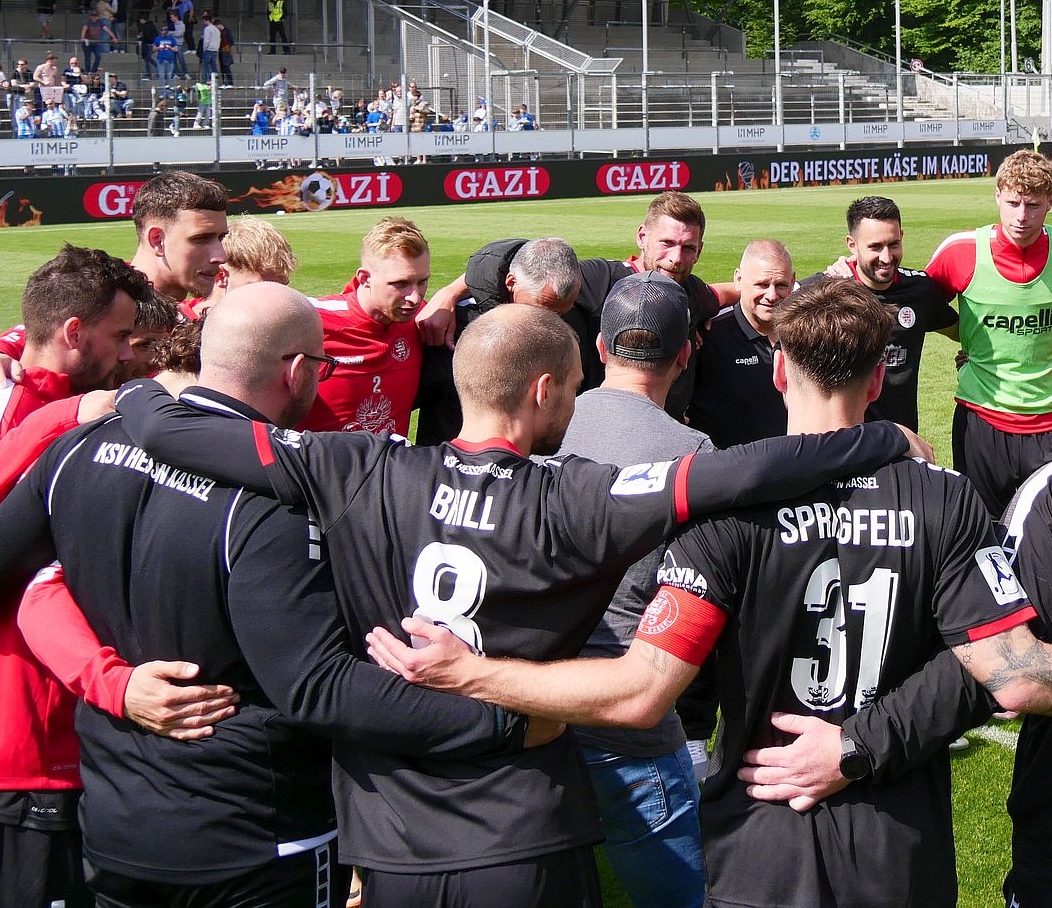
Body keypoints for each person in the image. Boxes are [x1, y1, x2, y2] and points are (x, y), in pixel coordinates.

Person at [362, 281, 1052, 908]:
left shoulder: (726, 509)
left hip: (760, 835)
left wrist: (470, 673)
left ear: (778, 371)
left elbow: (639, 693)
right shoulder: (945, 499)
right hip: (898, 848)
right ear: (879, 380)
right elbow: (1015, 673)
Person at [106, 298, 928, 908]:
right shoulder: (577, 499)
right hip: (524, 833)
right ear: (541, 391)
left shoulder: (356, 467)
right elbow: (740, 473)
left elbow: (173, 432)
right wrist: (883, 435)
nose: (574, 403)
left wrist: (134, 391)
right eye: (571, 388)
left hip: (388, 842)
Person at [0, 283, 545, 907]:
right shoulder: (273, 500)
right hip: (257, 841)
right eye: (321, 366)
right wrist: (503, 721)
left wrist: (109, 677)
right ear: (296, 371)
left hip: (115, 828)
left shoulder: (77, 449)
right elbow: (317, 687)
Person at [0, 247, 153, 908]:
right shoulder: (9, 401)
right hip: (10, 746)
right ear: (73, 332)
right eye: (119, 337)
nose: (126, 354)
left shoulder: (69, 401)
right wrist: (59, 420)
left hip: (64, 741)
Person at [552, 271, 712, 907]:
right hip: (629, 715)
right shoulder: (691, 451)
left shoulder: (545, 424)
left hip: (537, 700)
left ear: (598, 346)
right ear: (685, 354)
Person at [418, 192, 722, 423]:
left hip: (663, 431)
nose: (676, 258)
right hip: (600, 428)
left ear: (699, 251)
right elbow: (529, 267)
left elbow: (727, 292)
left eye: (688, 248)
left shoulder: (689, 292)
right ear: (642, 237)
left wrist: (696, 319)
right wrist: (449, 293)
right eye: (666, 243)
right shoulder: (599, 278)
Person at [923, 149, 1052, 513]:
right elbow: (916, 302)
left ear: (1050, 201)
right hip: (982, 422)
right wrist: (965, 334)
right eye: (1012, 203)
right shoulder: (961, 250)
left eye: (1033, 205)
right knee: (982, 528)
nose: (1022, 216)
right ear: (997, 196)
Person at [0, 172, 229, 404]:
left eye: (221, 238)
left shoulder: (199, 311)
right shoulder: (101, 293)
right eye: (202, 239)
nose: (220, 255)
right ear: (157, 240)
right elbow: (34, 338)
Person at [799, 195, 957, 431]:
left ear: (902, 236)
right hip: (843, 440)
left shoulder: (920, 290)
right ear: (852, 245)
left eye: (893, 244)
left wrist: (973, 357)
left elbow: (962, 331)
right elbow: (767, 316)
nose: (886, 257)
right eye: (875, 247)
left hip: (900, 438)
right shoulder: (823, 292)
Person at [414, 237, 581, 446]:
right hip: (449, 454)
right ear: (511, 283)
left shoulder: (556, 293)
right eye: (541, 308)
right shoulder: (456, 321)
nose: (550, 321)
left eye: (560, 313)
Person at [300, 217, 429, 437]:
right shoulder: (311, 319)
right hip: (319, 459)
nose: (415, 298)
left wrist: (451, 292)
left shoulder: (424, 316)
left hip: (391, 459)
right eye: (401, 284)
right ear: (365, 278)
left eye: (422, 281)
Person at [686, 239, 795, 449]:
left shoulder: (806, 335)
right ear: (738, 279)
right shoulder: (707, 336)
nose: (772, 295)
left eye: (781, 285)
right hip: (728, 466)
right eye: (762, 284)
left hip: (792, 462)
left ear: (793, 281)